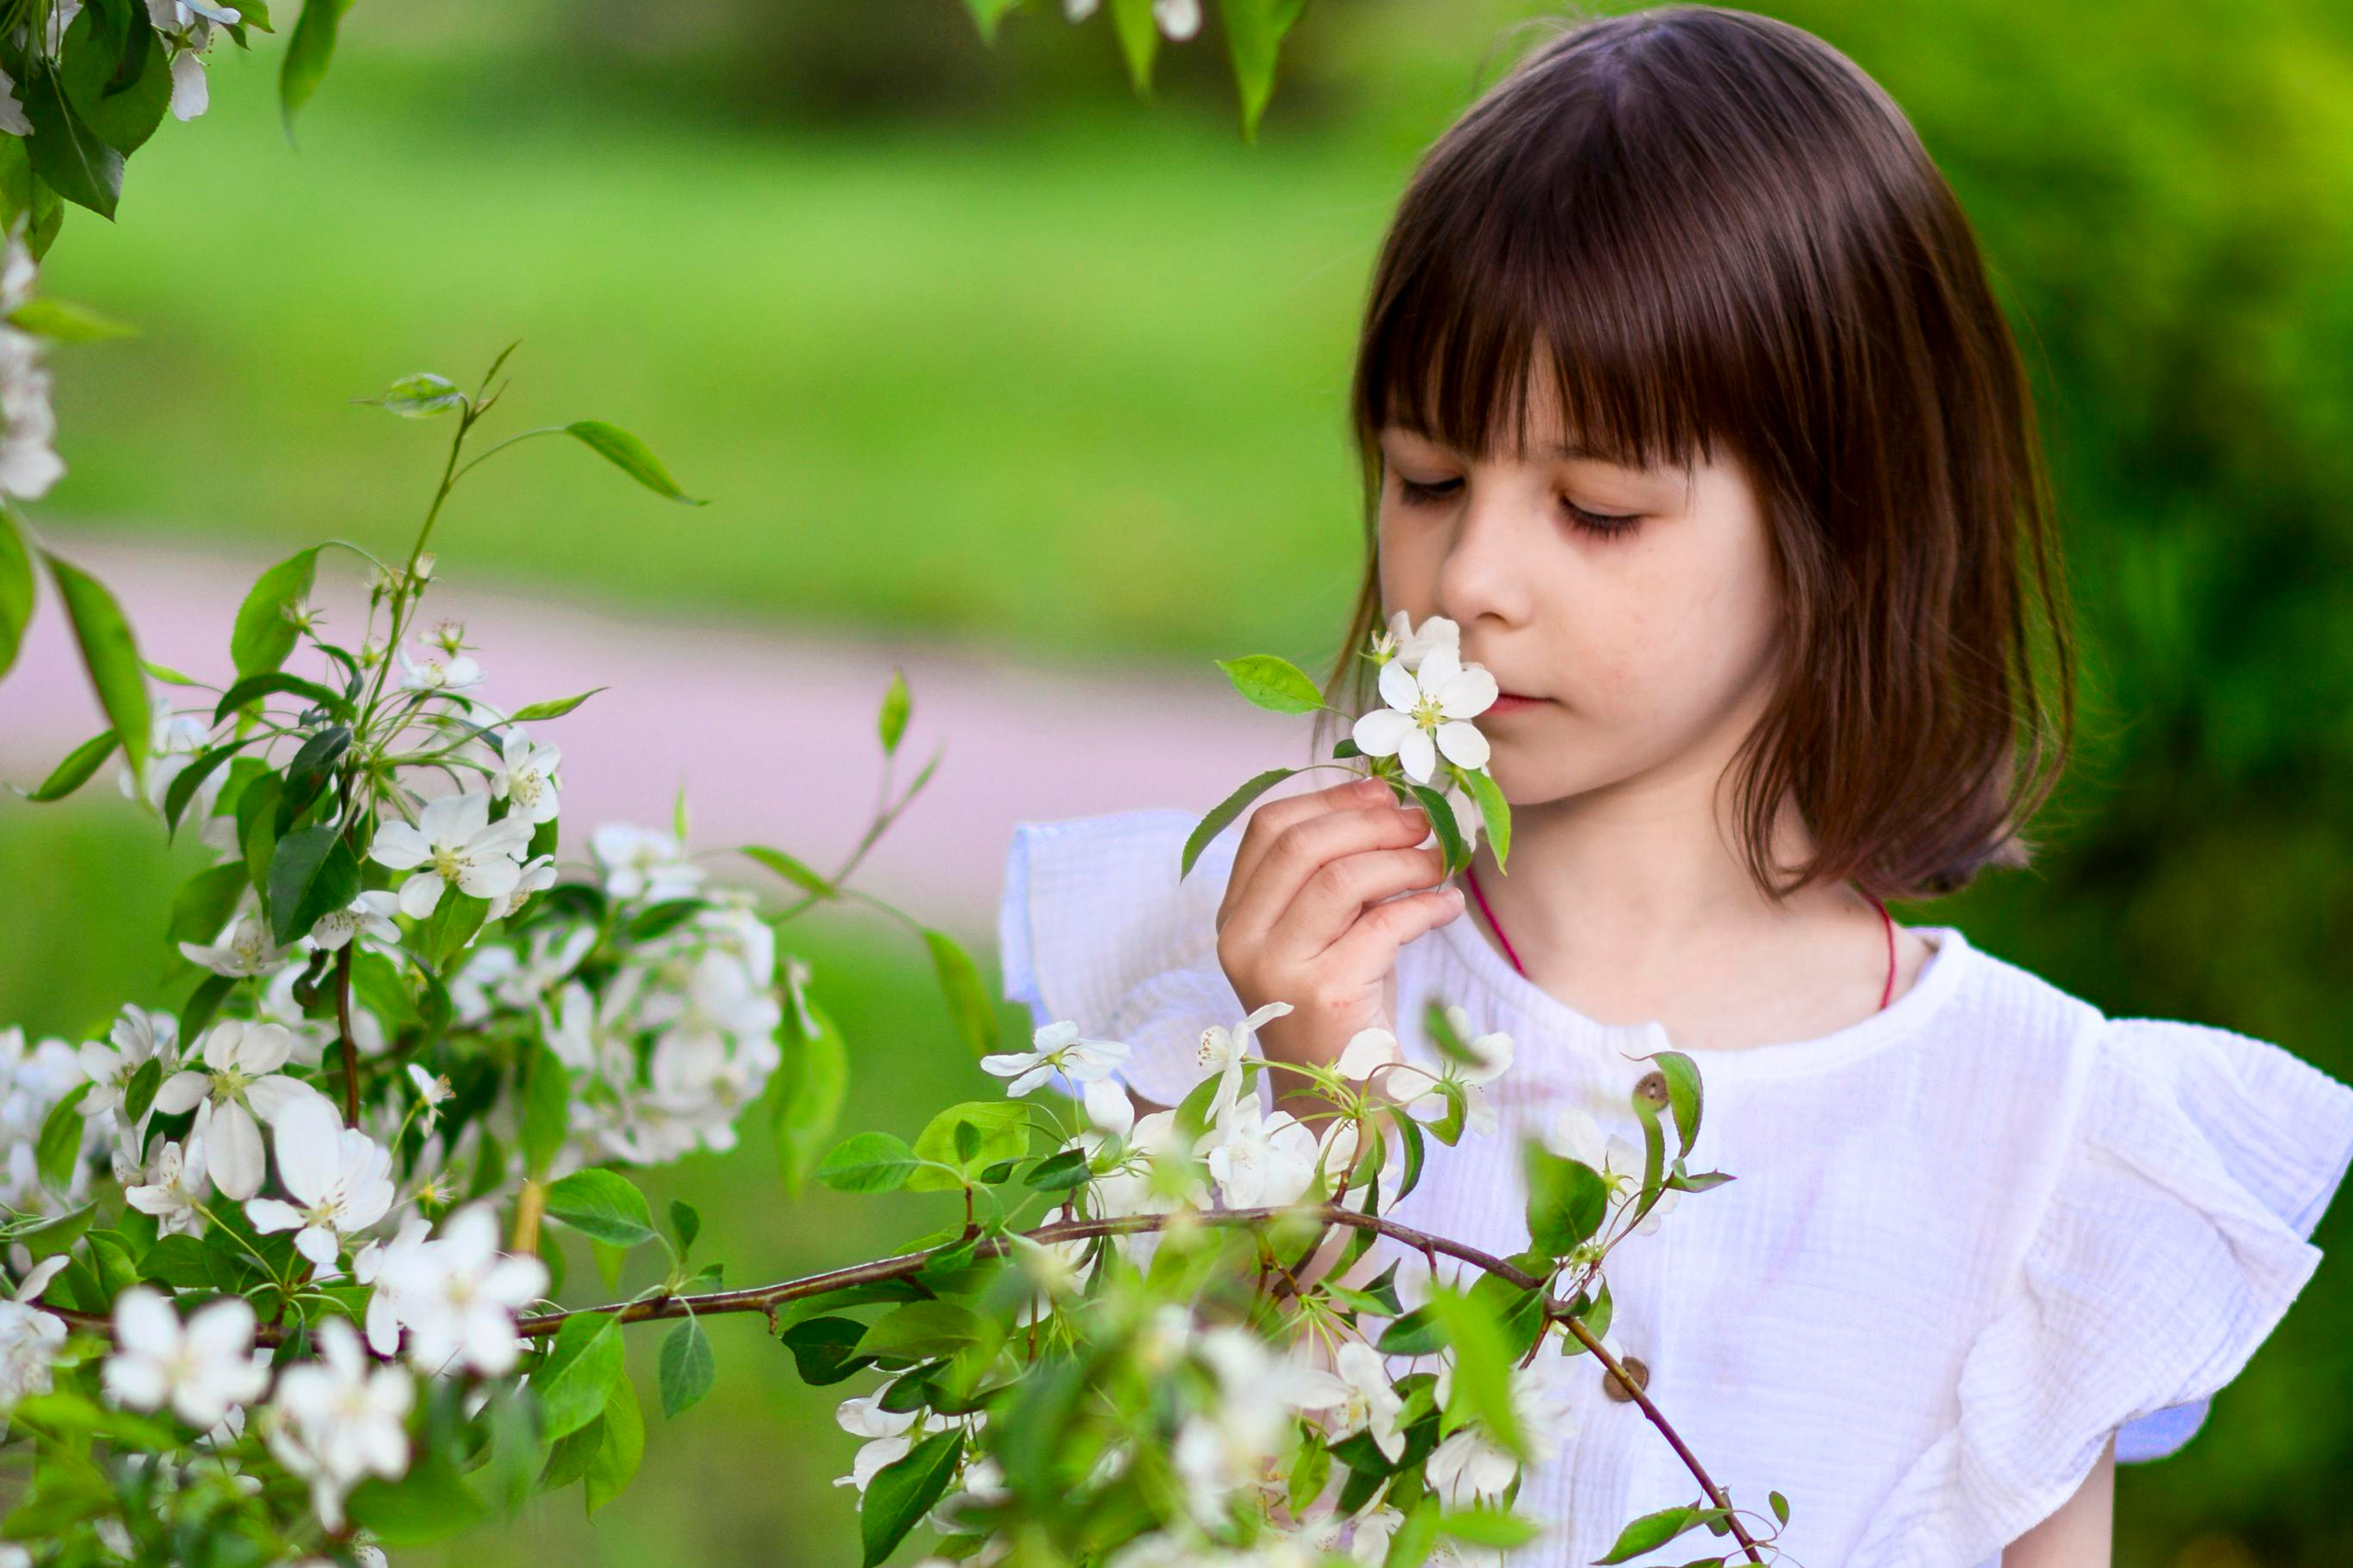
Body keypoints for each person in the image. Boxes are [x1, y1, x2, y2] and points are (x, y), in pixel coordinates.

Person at [995, 7, 2353, 1565]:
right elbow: (1119, 1514)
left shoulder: (2029, 1144)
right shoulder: (1244, 990)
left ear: (1848, 526)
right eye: (1428, 479)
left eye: (1597, 508)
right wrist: (1309, 1132)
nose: (1476, 576)